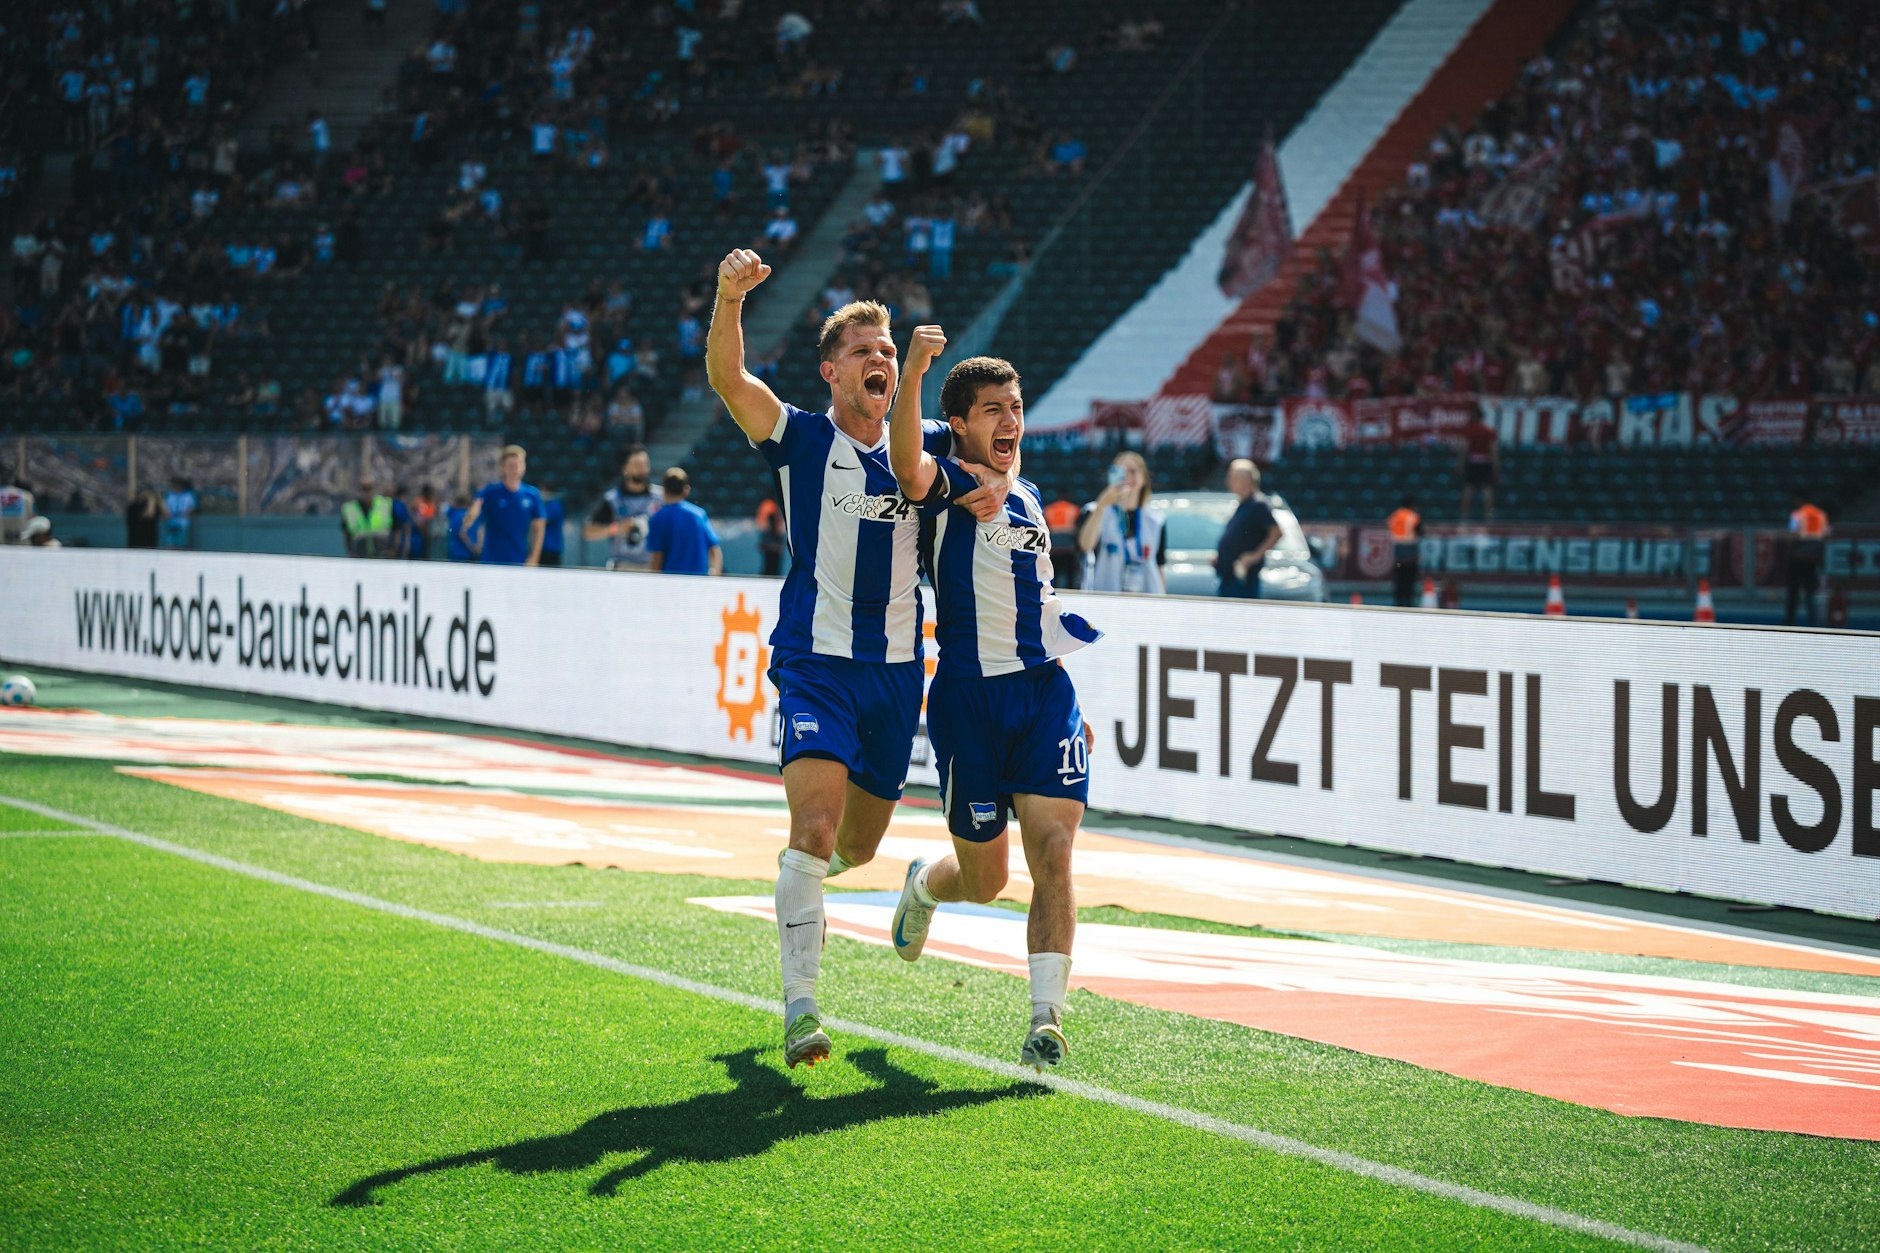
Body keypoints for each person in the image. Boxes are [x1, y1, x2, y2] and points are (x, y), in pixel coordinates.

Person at [706, 247, 1006, 1071]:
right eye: (864, 351)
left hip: (897, 673)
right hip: (816, 662)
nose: (881, 358)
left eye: (887, 349)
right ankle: (801, 1006)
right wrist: (730, 296)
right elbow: (730, 378)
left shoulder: (924, 439)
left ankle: (825, 874)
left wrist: (992, 473)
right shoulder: (801, 437)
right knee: (813, 827)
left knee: (860, 845)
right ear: (831, 372)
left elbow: (995, 441)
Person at [886, 329, 1100, 1071]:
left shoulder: (1030, 495)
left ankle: (1047, 1018)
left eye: (1016, 407)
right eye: (992, 410)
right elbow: (904, 459)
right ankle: (925, 883)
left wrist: (1072, 703)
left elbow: (1037, 601)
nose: (1011, 421)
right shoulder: (945, 484)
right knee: (986, 881)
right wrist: (917, 371)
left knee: (1055, 852)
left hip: (1043, 695)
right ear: (960, 422)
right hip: (969, 701)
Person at [1077, 451, 1162, 594]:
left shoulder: (1155, 519)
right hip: (1107, 597)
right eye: (1120, 472)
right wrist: (1102, 504)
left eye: (1132, 471)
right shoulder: (1094, 510)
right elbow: (1086, 545)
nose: (1127, 477)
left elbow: (1159, 565)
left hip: (1147, 598)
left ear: (1144, 478)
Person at [460, 445, 546, 566]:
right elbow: (467, 523)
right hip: (492, 561)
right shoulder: (490, 492)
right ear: (503, 468)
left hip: (519, 561)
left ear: (524, 467)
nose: (515, 469)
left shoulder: (532, 495)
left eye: (518, 464)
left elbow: (539, 527)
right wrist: (471, 515)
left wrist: (534, 557)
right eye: (511, 465)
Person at [583, 447, 660, 570]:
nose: (642, 469)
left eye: (645, 464)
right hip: (622, 566)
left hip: (651, 567)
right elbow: (588, 532)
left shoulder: (660, 497)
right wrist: (618, 528)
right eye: (636, 464)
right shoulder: (612, 499)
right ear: (625, 468)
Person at [1215, 459, 1281, 599]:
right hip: (1229, 576)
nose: (1228, 482)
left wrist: (1254, 556)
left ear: (1247, 480)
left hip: (1242, 580)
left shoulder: (1258, 504)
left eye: (1233, 478)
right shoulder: (1244, 504)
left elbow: (1276, 532)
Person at [644, 469, 722, 575]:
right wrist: (714, 574)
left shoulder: (658, 518)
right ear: (686, 490)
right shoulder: (699, 515)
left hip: (671, 581)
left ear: (664, 490)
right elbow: (715, 550)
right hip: (698, 581)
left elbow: (657, 556)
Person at [1786, 494, 1830, 626]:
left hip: (1798, 556)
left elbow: (1793, 534)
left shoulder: (1797, 514)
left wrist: (1790, 552)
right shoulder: (1820, 514)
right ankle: (1812, 620)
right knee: (1810, 590)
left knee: (1794, 589)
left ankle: (1790, 619)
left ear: (1799, 500)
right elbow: (1825, 536)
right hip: (1813, 558)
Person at [1457, 418, 1499, 521]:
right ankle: (1488, 514)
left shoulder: (1470, 430)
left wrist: (1461, 464)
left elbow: (1464, 448)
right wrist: (1496, 465)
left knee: (1469, 487)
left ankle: (1464, 514)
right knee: (1487, 488)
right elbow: (1493, 449)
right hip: (1485, 461)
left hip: (1473, 461)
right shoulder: (1488, 431)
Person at [340, 479, 393, 557]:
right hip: (360, 554)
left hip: (382, 554)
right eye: (364, 489)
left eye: (370, 488)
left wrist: (392, 551)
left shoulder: (385, 505)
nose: (367, 492)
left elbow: (396, 529)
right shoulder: (350, 508)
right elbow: (347, 534)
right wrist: (351, 552)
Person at [1387, 496, 1422, 607]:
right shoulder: (1413, 516)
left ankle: (1398, 601)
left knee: (1399, 577)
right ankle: (1408, 600)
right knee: (1409, 577)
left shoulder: (1395, 515)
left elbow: (1390, 528)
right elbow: (1419, 532)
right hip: (1410, 549)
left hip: (1398, 550)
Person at [391, 484, 425, 561]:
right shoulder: (400, 506)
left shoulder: (401, 506)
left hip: (410, 541)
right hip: (404, 540)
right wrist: (407, 541)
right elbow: (403, 524)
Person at [756, 493, 787, 577]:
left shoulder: (772, 507)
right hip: (770, 546)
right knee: (769, 568)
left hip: (773, 546)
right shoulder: (769, 506)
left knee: (773, 568)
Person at [444, 491, 479, 562]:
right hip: (466, 553)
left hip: (454, 552)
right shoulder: (467, 515)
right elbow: (462, 533)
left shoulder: (453, 515)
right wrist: (473, 548)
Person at [162, 477, 197, 548]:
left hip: (183, 522)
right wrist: (166, 513)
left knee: (182, 542)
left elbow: (192, 507)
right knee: (170, 542)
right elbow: (165, 506)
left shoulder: (188, 495)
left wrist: (184, 513)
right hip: (171, 521)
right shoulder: (170, 495)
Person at [538, 483, 566, 568]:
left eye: (542, 490)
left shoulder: (554, 505)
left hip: (550, 548)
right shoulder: (548, 505)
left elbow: (541, 521)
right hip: (544, 547)